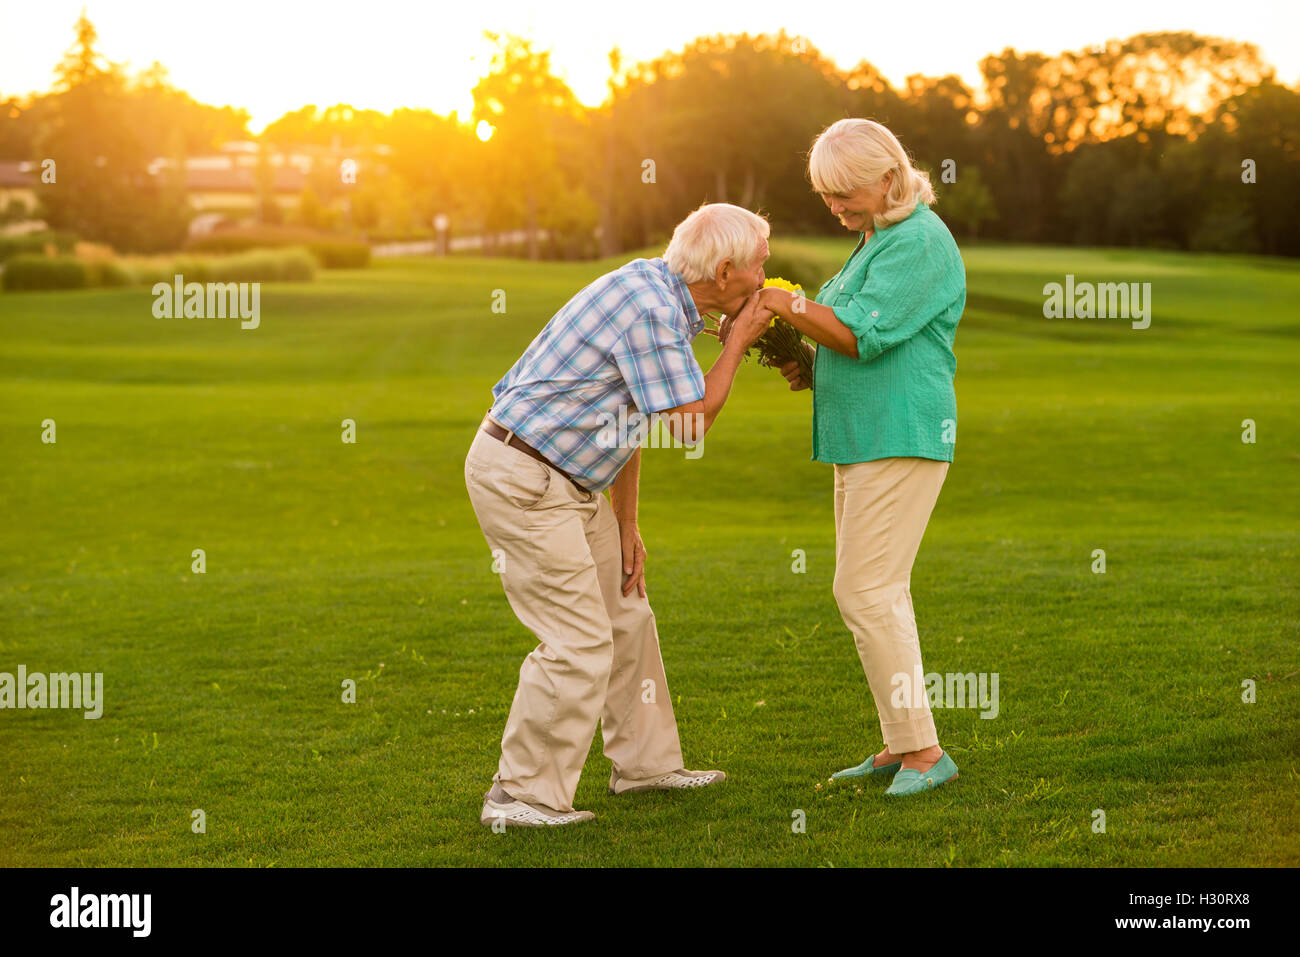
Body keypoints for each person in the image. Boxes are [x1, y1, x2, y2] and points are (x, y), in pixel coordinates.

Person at [467, 202, 775, 826]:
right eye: (760, 266)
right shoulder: (651, 312)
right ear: (723, 272)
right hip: (526, 476)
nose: (766, 279)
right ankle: (518, 796)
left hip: (570, 479)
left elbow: (633, 419)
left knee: (627, 612)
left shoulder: (660, 294)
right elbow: (689, 424)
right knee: (578, 639)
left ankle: (645, 766)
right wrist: (740, 340)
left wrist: (626, 524)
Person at [728, 118, 966, 797]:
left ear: (889, 177)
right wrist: (800, 358)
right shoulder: (877, 239)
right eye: (826, 196)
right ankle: (902, 743)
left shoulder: (918, 240)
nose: (835, 208)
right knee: (877, 590)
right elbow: (839, 334)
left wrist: (782, 299)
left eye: (845, 194)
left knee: (865, 589)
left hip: (902, 431)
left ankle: (925, 752)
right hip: (864, 435)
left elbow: (863, 335)